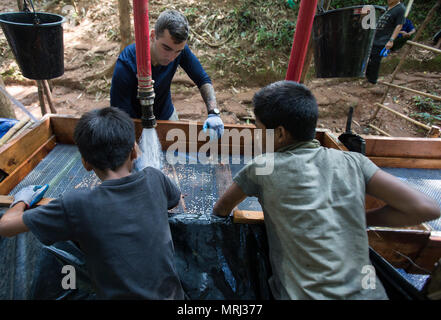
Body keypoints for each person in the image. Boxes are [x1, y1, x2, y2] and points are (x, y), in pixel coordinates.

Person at [213, 80, 440, 300]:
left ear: (280, 133)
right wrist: (360, 218)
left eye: (259, 128)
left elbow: (221, 208)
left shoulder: (262, 167)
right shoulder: (353, 162)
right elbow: (426, 208)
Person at [0, 107, 185, 300]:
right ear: (134, 152)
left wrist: (21, 200)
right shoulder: (155, 179)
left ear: (86, 163)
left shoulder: (76, 204)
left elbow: (5, 227)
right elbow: (174, 199)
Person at [110, 9, 224, 139]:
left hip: (167, 115)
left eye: (177, 51)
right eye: (166, 48)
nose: (171, 57)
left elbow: (202, 79)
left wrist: (213, 113)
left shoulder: (179, 51)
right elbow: (118, 113)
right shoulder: (126, 63)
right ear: (153, 36)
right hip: (133, 123)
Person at [365, 0, 406, 84]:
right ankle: (367, 78)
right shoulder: (386, 8)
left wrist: (391, 40)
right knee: (369, 59)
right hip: (375, 38)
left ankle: (372, 81)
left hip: (383, 40)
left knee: (375, 61)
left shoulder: (400, 9)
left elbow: (399, 25)